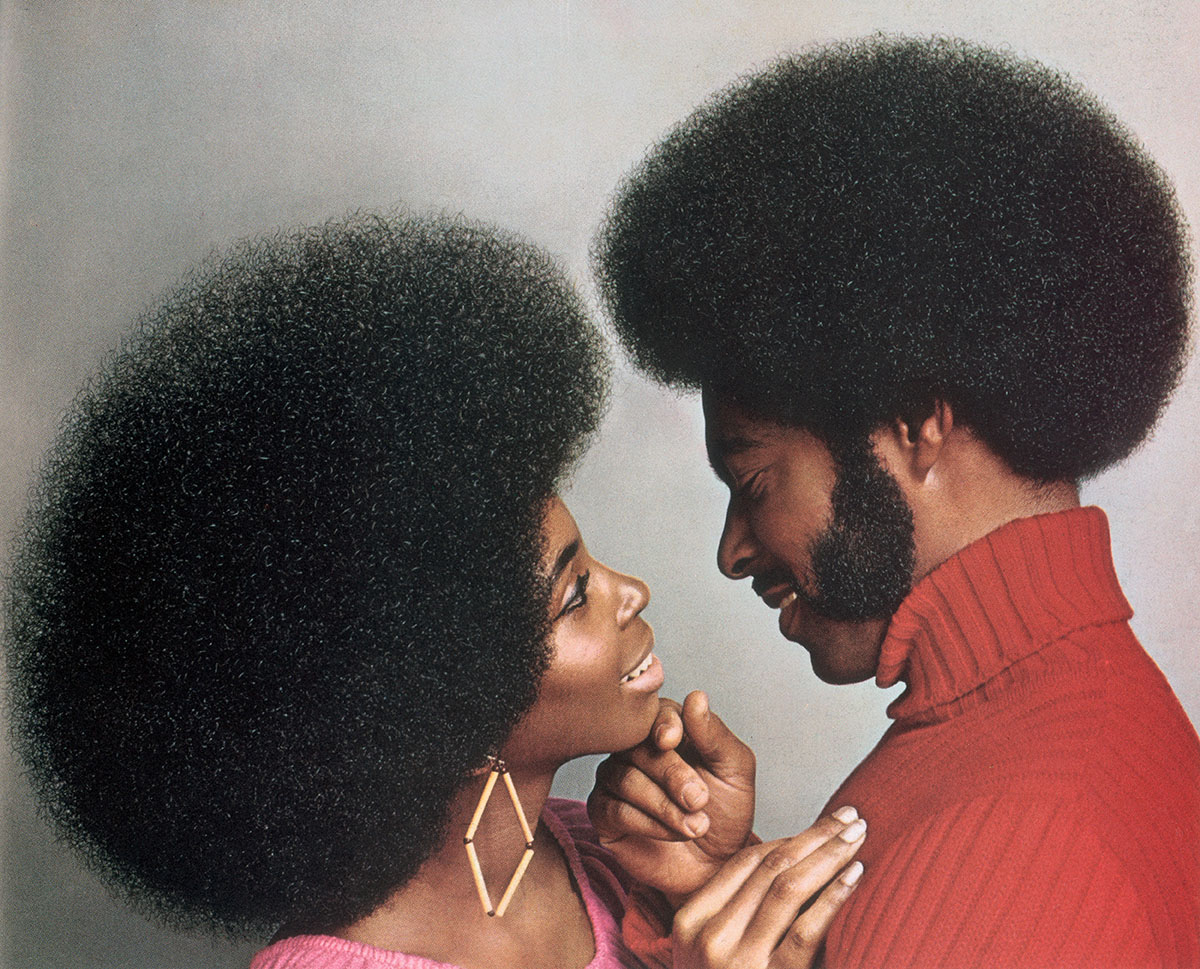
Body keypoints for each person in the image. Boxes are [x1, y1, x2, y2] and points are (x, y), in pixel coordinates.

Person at [5, 213, 867, 969]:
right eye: (572, 594)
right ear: (434, 699)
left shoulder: (602, 855)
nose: (631, 591)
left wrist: (706, 878)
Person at [589, 35, 1200, 969]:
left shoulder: (1011, 839)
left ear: (915, 424)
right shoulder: (1093, 722)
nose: (732, 551)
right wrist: (721, 884)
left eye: (752, 483)